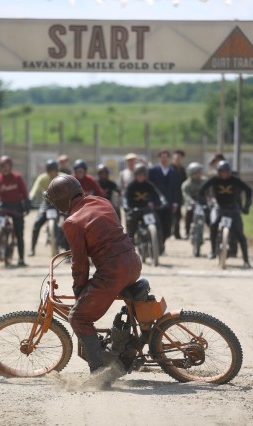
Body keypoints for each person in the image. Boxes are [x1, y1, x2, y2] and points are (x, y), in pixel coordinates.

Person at [43, 175, 142, 378]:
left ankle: (99, 374)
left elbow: (80, 263)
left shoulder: (72, 222)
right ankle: (119, 346)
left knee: (78, 317)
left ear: (62, 200)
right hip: (133, 262)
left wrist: (79, 288)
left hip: (113, 272)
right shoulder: (102, 201)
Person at [199, 160, 252, 268]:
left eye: (225, 172)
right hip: (219, 207)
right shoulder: (214, 180)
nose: (224, 174)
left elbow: (248, 190)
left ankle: (246, 260)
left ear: (229, 172)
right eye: (221, 172)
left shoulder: (235, 180)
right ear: (218, 172)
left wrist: (246, 206)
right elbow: (201, 190)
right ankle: (213, 251)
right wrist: (204, 204)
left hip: (233, 208)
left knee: (240, 234)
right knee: (213, 225)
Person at [0, 155, 30, 267]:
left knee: (19, 232)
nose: (5, 168)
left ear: (11, 166)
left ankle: (21, 259)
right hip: (3, 206)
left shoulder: (17, 178)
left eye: (7, 166)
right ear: (0, 167)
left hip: (16, 207)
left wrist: (26, 205)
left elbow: (24, 193)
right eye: (3, 166)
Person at [123, 163, 165, 245]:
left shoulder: (149, 185)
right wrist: (126, 206)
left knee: (157, 223)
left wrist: (163, 201)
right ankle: (130, 246)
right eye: (138, 175)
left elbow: (158, 194)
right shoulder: (131, 186)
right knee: (130, 227)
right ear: (135, 175)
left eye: (142, 175)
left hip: (146, 210)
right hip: (134, 209)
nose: (140, 176)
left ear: (145, 175)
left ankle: (159, 244)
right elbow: (125, 197)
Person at [147, 150, 180, 253]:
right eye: (162, 157)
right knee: (156, 224)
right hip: (156, 203)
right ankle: (155, 245)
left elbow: (176, 188)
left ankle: (163, 243)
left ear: (168, 158)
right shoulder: (152, 171)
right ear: (159, 158)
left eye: (166, 157)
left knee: (167, 226)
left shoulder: (173, 172)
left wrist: (175, 202)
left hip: (169, 203)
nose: (164, 159)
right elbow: (149, 187)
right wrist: (150, 200)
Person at [28, 159, 63, 257]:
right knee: (36, 224)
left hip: (60, 203)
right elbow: (35, 189)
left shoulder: (63, 177)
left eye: (54, 170)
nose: (52, 172)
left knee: (68, 223)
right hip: (46, 204)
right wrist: (31, 198)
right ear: (47, 171)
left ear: (57, 170)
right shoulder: (42, 178)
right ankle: (32, 249)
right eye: (50, 170)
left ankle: (67, 249)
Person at [181, 162, 208, 240]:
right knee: (189, 212)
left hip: (203, 202)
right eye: (197, 172)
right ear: (191, 173)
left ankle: (213, 231)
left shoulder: (205, 181)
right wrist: (191, 201)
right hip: (191, 203)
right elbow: (186, 195)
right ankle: (187, 231)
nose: (199, 174)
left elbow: (209, 192)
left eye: (200, 172)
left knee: (209, 213)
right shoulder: (186, 184)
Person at [171, 150, 187, 239]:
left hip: (179, 195)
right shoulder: (170, 168)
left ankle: (176, 233)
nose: (177, 159)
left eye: (179, 158)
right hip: (170, 194)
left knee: (178, 215)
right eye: (176, 157)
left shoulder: (182, 169)